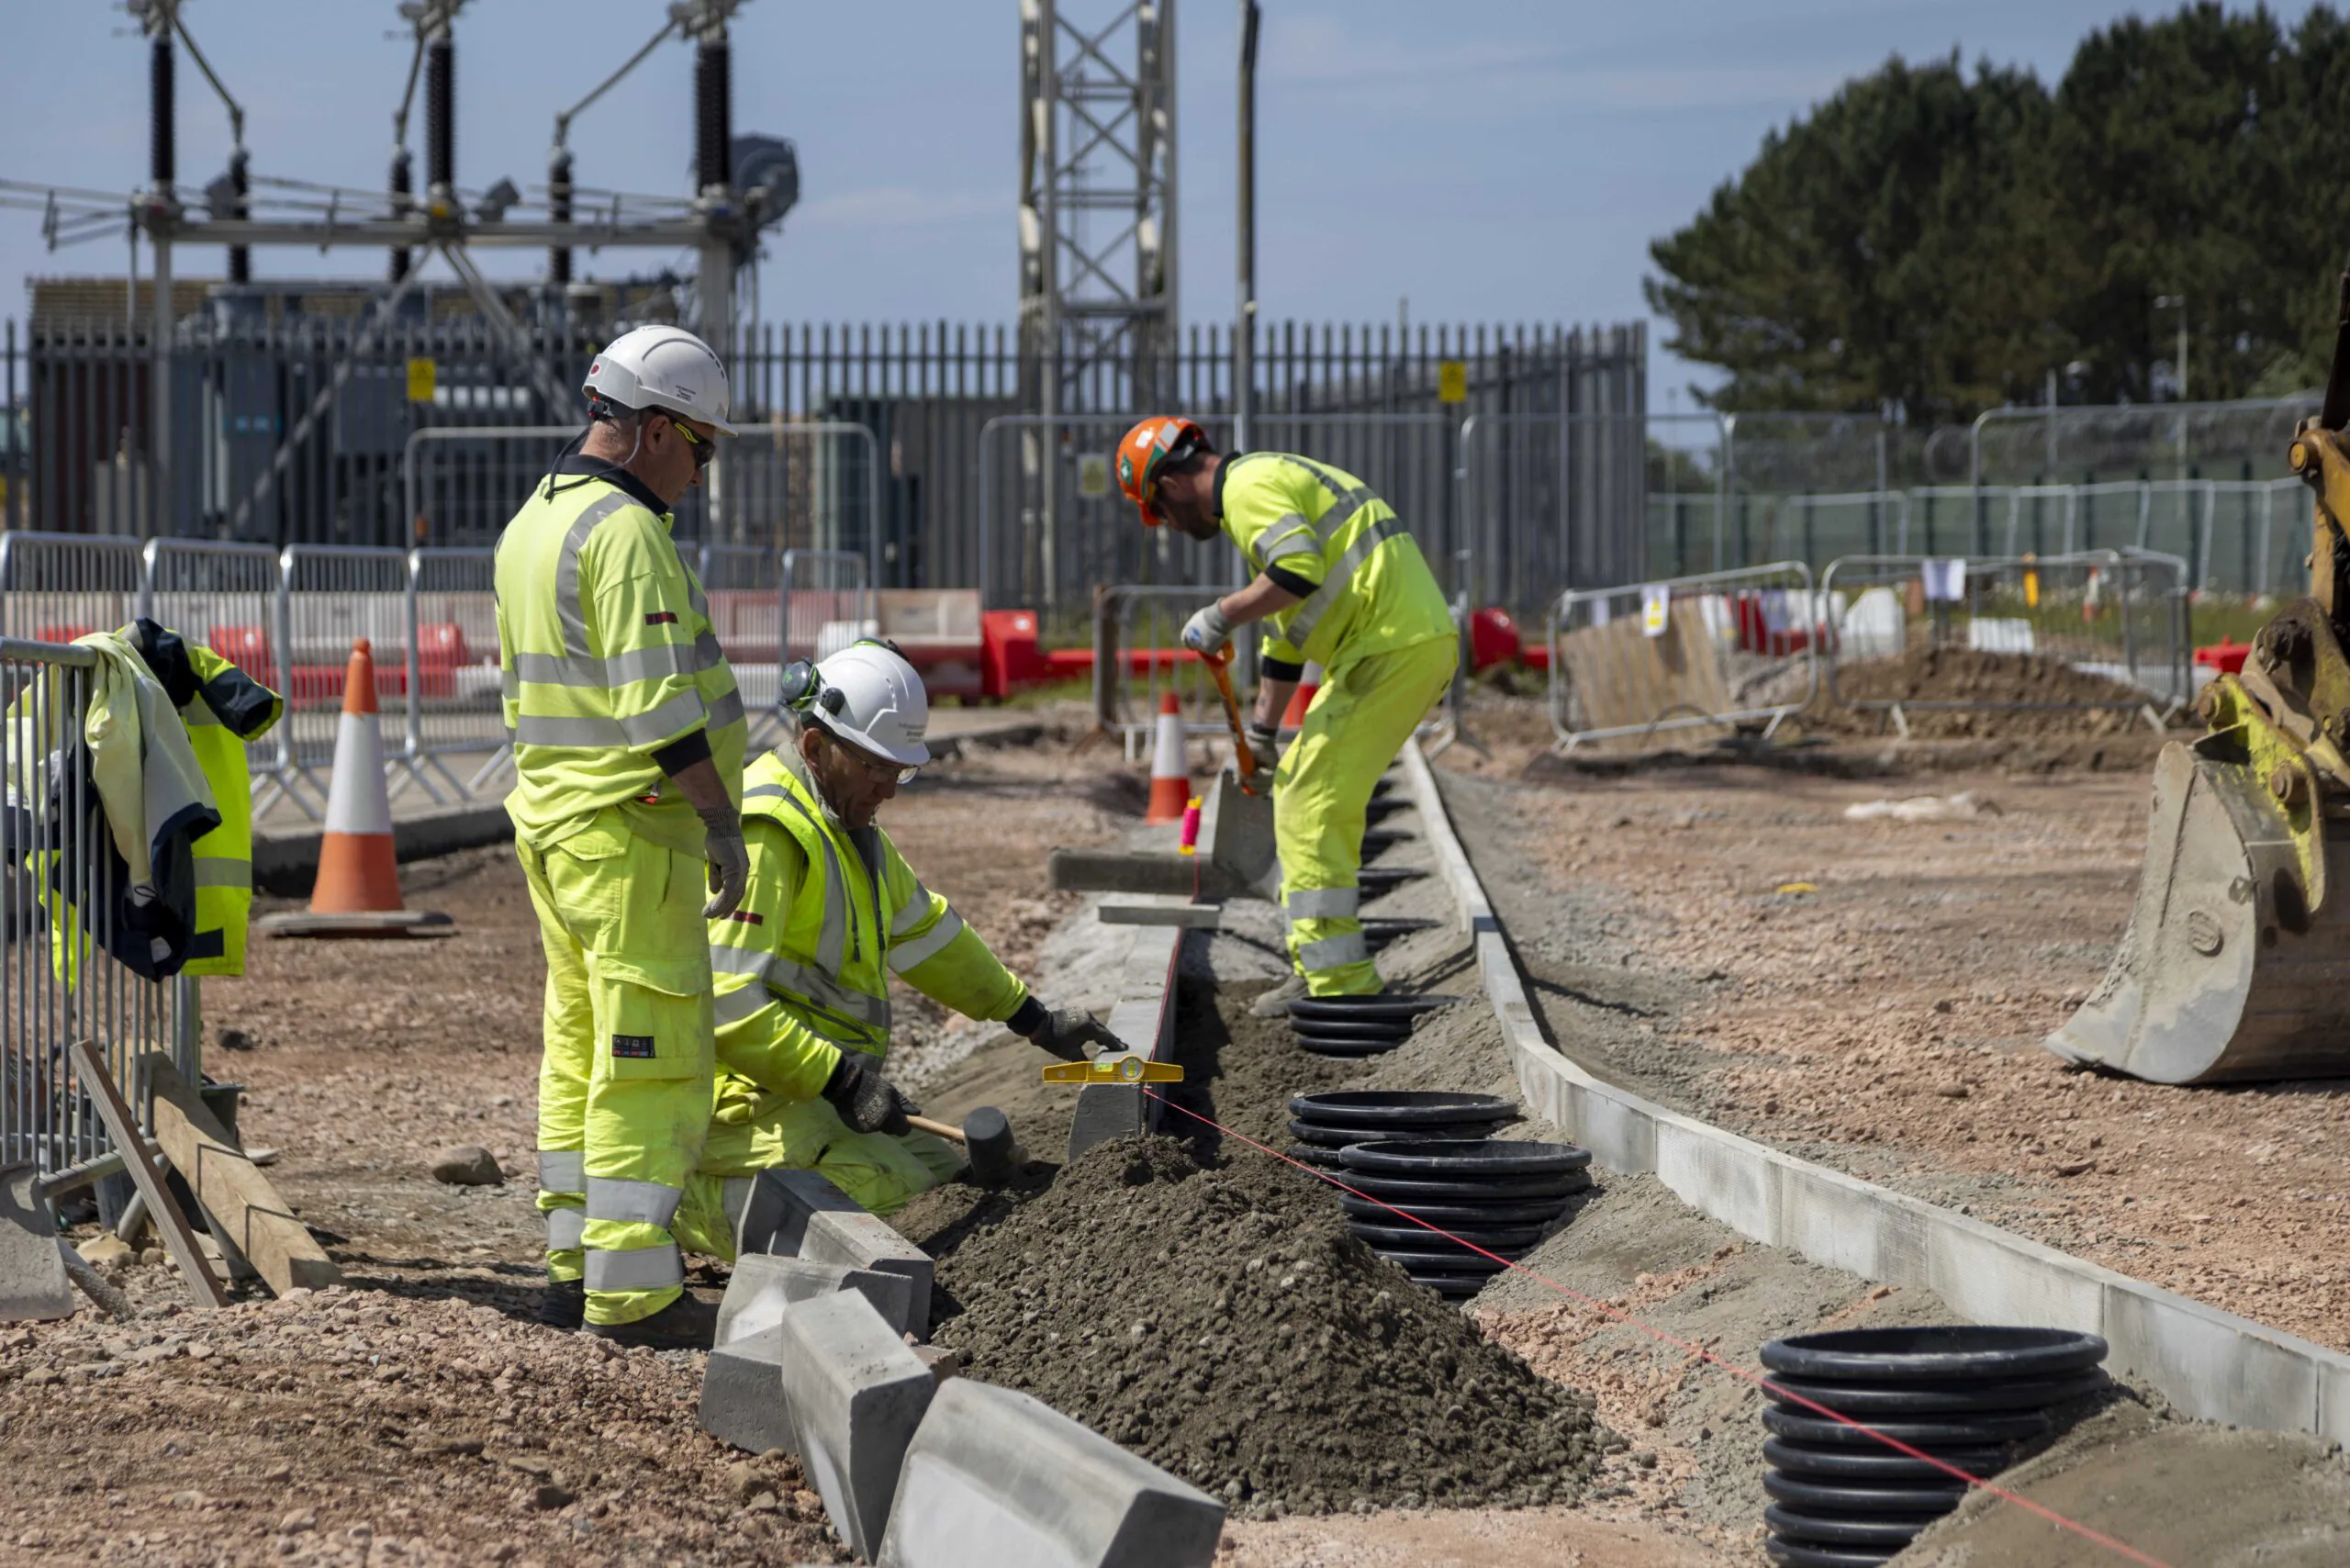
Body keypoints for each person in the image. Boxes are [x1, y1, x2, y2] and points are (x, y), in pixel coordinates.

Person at [669, 639, 1119, 1241]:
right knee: (910, 1213)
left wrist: (1033, 1018)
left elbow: (929, 935)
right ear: (814, 747)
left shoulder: (851, 833)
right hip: (744, 1116)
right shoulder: (768, 833)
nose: (891, 788)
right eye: (876, 767)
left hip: (814, 1097)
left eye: (899, 769)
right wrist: (845, 1082)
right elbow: (724, 1002)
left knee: (952, 1186)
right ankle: (687, 1206)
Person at [495, 325, 751, 1346]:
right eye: (701, 445)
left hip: (557, 829)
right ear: (651, 429)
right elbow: (656, 709)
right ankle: (636, 1292)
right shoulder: (626, 534)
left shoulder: (533, 522)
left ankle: (575, 1265)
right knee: (651, 1061)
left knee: (580, 1054)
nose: (703, 469)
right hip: (630, 835)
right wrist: (723, 822)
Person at [1116, 418, 1459, 1009]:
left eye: (1159, 513)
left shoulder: (1248, 488)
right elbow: (1286, 639)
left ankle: (1337, 982)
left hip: (1390, 645)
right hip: (1393, 643)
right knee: (1302, 783)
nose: (1170, 526)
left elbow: (1295, 573)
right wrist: (1262, 736)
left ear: (1168, 486)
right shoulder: (1266, 485)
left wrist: (1221, 614)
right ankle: (1325, 966)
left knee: (1310, 796)